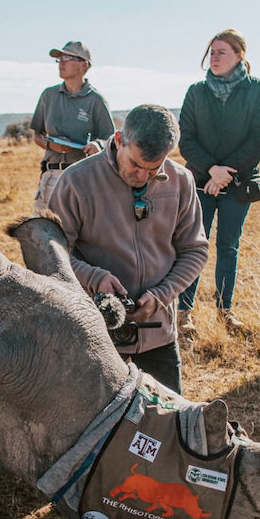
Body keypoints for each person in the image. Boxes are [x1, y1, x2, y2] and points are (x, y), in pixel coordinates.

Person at [48, 105, 208, 394]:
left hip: (158, 335)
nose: (143, 176)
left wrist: (162, 295)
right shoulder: (76, 181)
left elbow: (195, 250)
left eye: (154, 168)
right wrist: (94, 279)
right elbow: (51, 254)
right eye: (136, 164)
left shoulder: (181, 181)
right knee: (99, 433)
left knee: (167, 427)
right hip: (95, 335)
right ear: (119, 140)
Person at [177, 29, 260, 336]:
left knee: (229, 246)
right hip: (200, 182)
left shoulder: (257, 90)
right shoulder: (196, 92)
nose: (214, 58)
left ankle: (224, 311)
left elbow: (259, 138)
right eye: (212, 53)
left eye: (222, 53)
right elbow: (186, 139)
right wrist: (211, 170)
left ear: (239, 55)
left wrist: (225, 173)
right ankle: (184, 312)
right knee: (193, 246)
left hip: (239, 182)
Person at [30, 41, 115, 212]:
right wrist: (50, 145)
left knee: (74, 236)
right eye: (59, 59)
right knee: (40, 234)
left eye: (67, 58)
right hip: (50, 176)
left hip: (80, 177)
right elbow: (36, 135)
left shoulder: (96, 100)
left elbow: (109, 139)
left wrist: (96, 145)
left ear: (83, 65)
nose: (61, 62)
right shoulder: (48, 95)